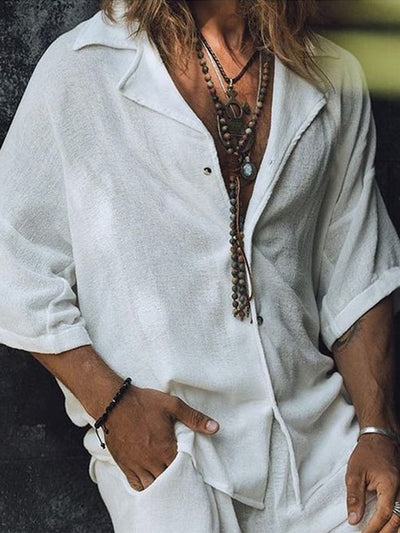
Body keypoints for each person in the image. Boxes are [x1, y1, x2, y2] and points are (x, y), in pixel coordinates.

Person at [1, 0, 400, 531]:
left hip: (321, 455)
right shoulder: (83, 68)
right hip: (174, 455)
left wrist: (377, 431)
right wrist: (113, 406)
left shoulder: (332, 77)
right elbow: (12, 259)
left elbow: (358, 273)